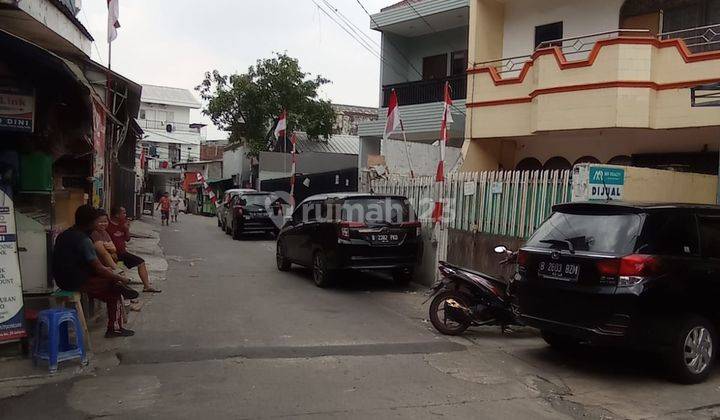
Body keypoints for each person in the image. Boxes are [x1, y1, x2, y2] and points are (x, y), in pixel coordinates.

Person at [53, 205, 138, 338]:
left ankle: (122, 288)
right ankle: (114, 328)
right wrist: (119, 278)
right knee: (114, 290)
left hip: (61, 279)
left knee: (111, 279)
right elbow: (98, 267)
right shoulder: (84, 240)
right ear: (90, 222)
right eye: (96, 221)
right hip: (76, 281)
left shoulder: (64, 234)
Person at [106, 207, 161, 293]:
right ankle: (121, 289)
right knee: (119, 270)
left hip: (122, 253)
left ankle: (146, 286)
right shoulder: (108, 226)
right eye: (123, 213)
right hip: (113, 254)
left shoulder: (122, 224)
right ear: (117, 215)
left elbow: (127, 239)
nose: (125, 215)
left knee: (140, 262)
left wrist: (126, 229)